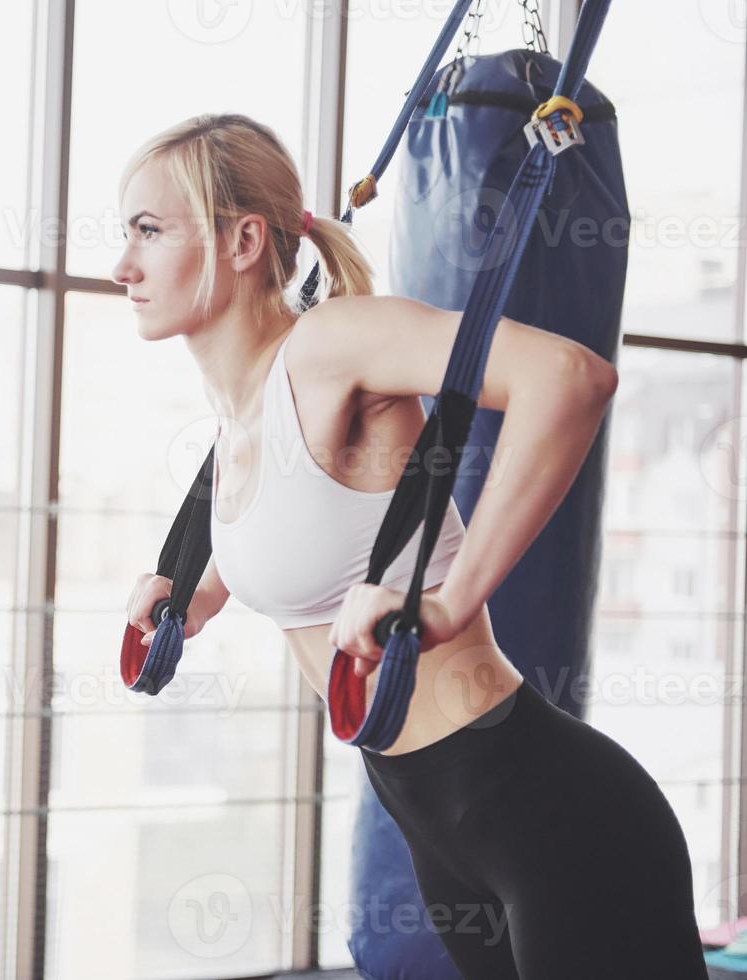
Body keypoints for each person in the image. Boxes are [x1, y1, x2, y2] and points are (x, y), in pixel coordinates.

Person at [119, 113, 706, 978]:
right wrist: (191, 597)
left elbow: (571, 377)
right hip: (433, 818)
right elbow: (312, 548)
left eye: (148, 231)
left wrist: (452, 596)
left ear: (242, 240)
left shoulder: (327, 345)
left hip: (544, 811)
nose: (120, 267)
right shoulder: (240, 423)